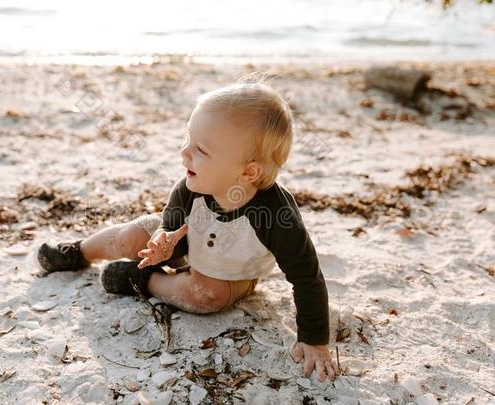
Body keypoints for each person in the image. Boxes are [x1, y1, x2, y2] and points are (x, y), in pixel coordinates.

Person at [37, 76, 339, 382]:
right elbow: (172, 223)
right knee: (132, 238)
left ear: (248, 171)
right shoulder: (191, 185)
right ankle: (79, 252)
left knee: (206, 296)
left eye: (201, 150)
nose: (184, 153)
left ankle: (143, 279)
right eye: (187, 139)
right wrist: (163, 242)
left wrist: (314, 340)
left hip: (232, 271)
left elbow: (307, 278)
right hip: (187, 240)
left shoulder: (276, 216)